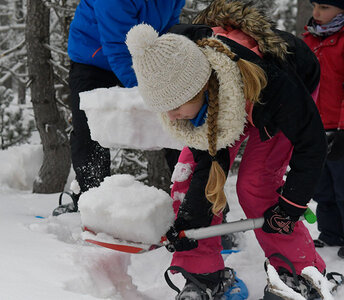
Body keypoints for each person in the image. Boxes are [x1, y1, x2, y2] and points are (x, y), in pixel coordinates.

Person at [125, 0, 334, 298]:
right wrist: (189, 223)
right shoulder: (179, 73)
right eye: (163, 109)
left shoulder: (276, 86)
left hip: (270, 95)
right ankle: (202, 273)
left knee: (256, 184)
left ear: (200, 88)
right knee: (189, 177)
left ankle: (299, 271)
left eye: (174, 107)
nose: (169, 117)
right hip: (224, 98)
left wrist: (291, 206)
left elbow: (312, 145)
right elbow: (208, 167)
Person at [52, 0, 185, 216]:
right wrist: (148, 92)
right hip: (93, 58)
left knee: (177, 120)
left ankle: (193, 207)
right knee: (89, 130)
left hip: (139, 56)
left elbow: (168, 29)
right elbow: (118, 47)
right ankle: (89, 202)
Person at [302, 0, 344, 259]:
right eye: (314, 6)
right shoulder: (309, 39)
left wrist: (342, 127)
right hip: (314, 128)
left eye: (325, 8)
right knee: (322, 186)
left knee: (343, 186)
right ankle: (330, 233)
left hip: (340, 129)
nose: (316, 13)